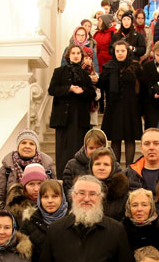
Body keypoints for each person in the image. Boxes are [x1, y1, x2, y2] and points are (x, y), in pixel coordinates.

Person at [35, 174, 134, 262]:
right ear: (73, 196)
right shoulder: (55, 229)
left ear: (100, 198)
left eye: (92, 194)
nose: (86, 199)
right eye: (81, 193)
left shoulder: (116, 230)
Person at [49, 44, 98, 176]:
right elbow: (52, 90)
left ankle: (78, 177)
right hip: (63, 117)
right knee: (63, 149)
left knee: (78, 147)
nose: (76, 56)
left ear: (81, 56)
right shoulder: (59, 71)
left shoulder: (85, 74)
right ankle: (62, 176)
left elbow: (92, 94)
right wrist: (69, 89)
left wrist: (82, 91)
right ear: (68, 56)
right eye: (73, 53)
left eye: (78, 53)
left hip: (79, 117)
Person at [98, 40, 143, 166]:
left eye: (123, 51)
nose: (120, 53)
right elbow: (101, 85)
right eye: (117, 51)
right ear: (114, 52)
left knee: (130, 139)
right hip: (114, 107)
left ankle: (130, 169)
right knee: (115, 139)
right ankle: (115, 168)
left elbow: (142, 87)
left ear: (127, 51)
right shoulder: (108, 67)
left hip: (131, 107)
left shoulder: (135, 66)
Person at [0, 129, 55, 205]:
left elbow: (54, 191)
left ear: (36, 147)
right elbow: (0, 196)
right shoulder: (7, 167)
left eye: (31, 144)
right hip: (14, 209)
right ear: (18, 145)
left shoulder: (46, 166)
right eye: (23, 143)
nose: (27, 146)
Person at [21, 180, 69, 262]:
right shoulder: (29, 222)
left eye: (54, 196)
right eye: (45, 197)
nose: (50, 201)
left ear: (62, 197)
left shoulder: (72, 221)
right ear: (40, 199)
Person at [126, 127, 159, 192]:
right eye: (147, 144)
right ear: (141, 148)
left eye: (156, 143)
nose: (151, 147)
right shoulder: (129, 173)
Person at [89, 146, 130, 221]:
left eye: (106, 164)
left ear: (112, 168)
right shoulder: (82, 190)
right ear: (91, 167)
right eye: (97, 164)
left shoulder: (121, 192)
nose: (101, 168)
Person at [62, 129, 108, 195]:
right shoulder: (71, 165)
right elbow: (68, 192)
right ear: (85, 148)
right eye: (91, 148)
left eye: (98, 148)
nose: (94, 151)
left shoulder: (113, 166)